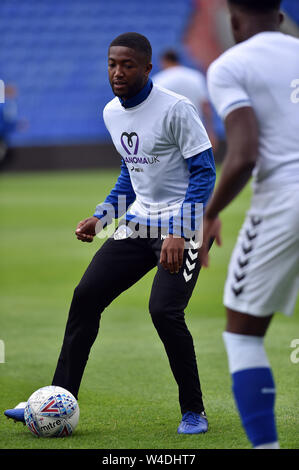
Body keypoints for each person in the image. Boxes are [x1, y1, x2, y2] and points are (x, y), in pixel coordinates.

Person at [5, 32, 216, 434]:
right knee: (85, 298)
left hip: (180, 229)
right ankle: (56, 401)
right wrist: (101, 218)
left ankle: (193, 410)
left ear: (147, 68)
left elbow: (205, 173)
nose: (118, 72)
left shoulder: (177, 109)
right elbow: (131, 173)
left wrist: (179, 231)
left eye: (127, 65)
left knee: (164, 312)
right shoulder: (111, 113)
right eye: (112, 64)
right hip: (137, 224)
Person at [200, 0, 299, 449]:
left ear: (233, 21)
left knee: (242, 334)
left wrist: (209, 212)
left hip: (286, 199)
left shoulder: (230, 65)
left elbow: (243, 155)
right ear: (280, 18)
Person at [152, 49, 217, 150]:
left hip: (170, 131)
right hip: (195, 128)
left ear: (164, 61)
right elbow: (205, 106)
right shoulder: (196, 76)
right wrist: (211, 132)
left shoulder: (159, 80)